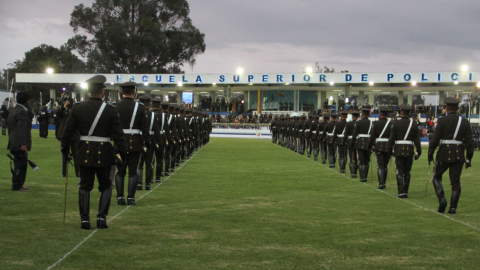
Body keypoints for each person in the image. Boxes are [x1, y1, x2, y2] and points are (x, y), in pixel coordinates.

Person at [61, 75, 126, 229]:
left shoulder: (77, 107)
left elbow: (67, 132)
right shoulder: (110, 110)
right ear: (102, 91)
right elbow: (118, 135)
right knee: (106, 186)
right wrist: (121, 153)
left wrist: (65, 150)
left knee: (84, 186)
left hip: (84, 152)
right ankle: (101, 218)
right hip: (104, 152)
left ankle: (85, 219)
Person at [428, 97, 474, 214]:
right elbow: (470, 142)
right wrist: (469, 158)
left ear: (446, 108)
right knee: (455, 182)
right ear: (458, 108)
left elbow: (435, 139)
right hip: (458, 154)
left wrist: (430, 152)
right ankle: (453, 207)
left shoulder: (442, 121)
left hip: (443, 153)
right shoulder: (464, 122)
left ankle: (442, 200)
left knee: (436, 177)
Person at [114, 82, 149, 205]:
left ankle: (119, 197)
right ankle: (130, 197)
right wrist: (146, 142)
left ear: (122, 92)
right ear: (134, 93)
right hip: (135, 143)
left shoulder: (115, 106)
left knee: (120, 171)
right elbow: (144, 128)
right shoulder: (140, 107)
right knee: (133, 171)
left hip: (119, 144)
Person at [387, 104, 421, 198]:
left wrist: (389, 149)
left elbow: (392, 138)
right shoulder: (413, 123)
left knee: (399, 171)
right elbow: (417, 139)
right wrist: (418, 151)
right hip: (409, 150)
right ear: (409, 113)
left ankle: (400, 192)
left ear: (401, 112)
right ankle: (405, 191)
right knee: (407, 172)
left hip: (398, 150)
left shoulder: (396, 123)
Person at [8, 92, 32, 191]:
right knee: (21, 165)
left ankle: (17, 184)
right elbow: (21, 129)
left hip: (13, 141)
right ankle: (17, 185)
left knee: (18, 164)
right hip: (19, 142)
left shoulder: (14, 110)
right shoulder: (22, 111)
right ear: (27, 101)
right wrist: (23, 144)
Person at [369, 106, 393, 189]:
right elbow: (392, 136)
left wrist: (370, 146)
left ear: (380, 113)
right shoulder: (390, 124)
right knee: (385, 165)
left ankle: (381, 183)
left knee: (380, 165)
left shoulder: (375, 123)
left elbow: (372, 136)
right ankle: (384, 183)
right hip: (387, 146)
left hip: (378, 146)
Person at [351, 108, 372, 182]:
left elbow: (354, 134)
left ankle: (362, 177)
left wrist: (352, 143)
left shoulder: (358, 122)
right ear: (369, 114)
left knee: (360, 161)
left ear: (362, 114)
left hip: (359, 143)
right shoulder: (371, 123)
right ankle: (365, 176)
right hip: (368, 143)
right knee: (367, 161)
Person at [345, 111, 359, 178]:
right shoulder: (359, 123)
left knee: (351, 158)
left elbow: (346, 134)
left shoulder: (348, 124)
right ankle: (356, 172)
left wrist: (344, 142)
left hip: (350, 141)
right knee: (357, 158)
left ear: (352, 117)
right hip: (358, 141)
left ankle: (353, 173)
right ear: (358, 117)